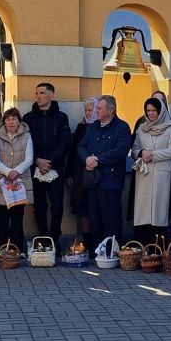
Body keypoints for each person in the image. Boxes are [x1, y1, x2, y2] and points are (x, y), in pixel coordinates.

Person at [79, 95, 133, 249]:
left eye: (100, 108)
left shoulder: (121, 127)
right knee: (94, 218)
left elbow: (120, 151)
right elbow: (81, 146)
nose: (96, 111)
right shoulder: (93, 126)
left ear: (111, 110)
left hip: (111, 181)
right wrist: (87, 159)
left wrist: (97, 160)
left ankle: (111, 250)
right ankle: (98, 250)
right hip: (92, 180)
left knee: (111, 218)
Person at [24, 82, 71, 245]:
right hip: (35, 168)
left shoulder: (61, 117)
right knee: (39, 206)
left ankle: (54, 238)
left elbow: (65, 143)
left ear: (51, 95)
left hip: (55, 168)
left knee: (57, 206)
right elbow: (26, 142)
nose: (38, 96)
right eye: (36, 93)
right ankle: (43, 237)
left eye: (42, 93)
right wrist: (37, 160)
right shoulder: (28, 118)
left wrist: (49, 162)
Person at [132, 96, 171, 246]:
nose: (151, 113)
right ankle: (143, 247)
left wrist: (152, 155)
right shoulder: (142, 128)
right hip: (144, 174)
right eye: (148, 111)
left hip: (161, 173)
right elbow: (134, 148)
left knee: (158, 211)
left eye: (154, 110)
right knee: (143, 211)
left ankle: (158, 249)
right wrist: (141, 153)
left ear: (160, 111)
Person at [0, 107, 34, 253]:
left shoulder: (27, 136)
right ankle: (0, 250)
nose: (11, 122)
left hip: (19, 182)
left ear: (19, 121)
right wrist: (8, 172)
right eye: (8, 119)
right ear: (4, 122)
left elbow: (29, 158)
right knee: (1, 219)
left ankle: (17, 250)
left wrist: (17, 172)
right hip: (1, 183)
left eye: (14, 119)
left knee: (17, 219)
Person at [69, 97, 98, 246]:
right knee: (83, 209)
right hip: (80, 174)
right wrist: (70, 173)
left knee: (95, 208)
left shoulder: (100, 127)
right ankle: (85, 241)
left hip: (97, 173)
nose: (87, 113)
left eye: (91, 110)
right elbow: (74, 151)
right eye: (86, 110)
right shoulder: (81, 128)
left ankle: (96, 240)